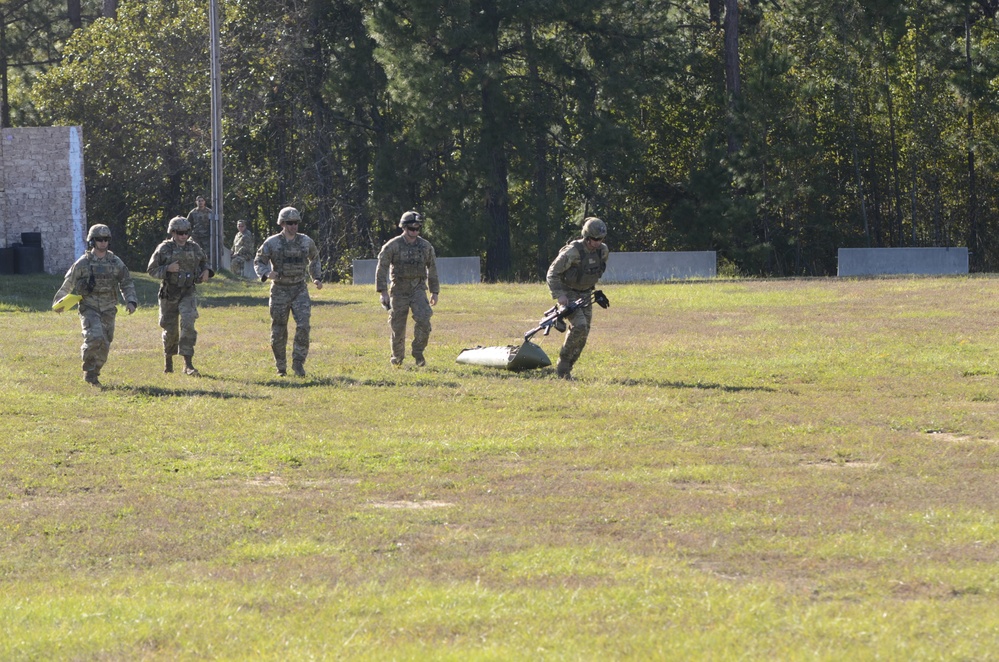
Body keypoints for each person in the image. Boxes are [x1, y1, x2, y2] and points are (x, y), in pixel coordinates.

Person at [53, 224, 138, 386]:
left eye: (106, 239)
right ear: (92, 241)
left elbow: (126, 282)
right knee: (94, 337)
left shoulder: (115, 262)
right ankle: (89, 372)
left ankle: (95, 371)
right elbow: (68, 283)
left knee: (105, 342)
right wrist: (59, 302)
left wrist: (131, 300)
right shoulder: (83, 263)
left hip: (108, 308)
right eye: (99, 239)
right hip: (89, 307)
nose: (103, 243)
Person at [254, 206, 323, 377]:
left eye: (296, 223)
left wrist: (316, 277)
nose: (293, 226)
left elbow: (314, 258)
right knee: (278, 329)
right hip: (279, 290)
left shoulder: (306, 241)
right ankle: (281, 366)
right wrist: (266, 273)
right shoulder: (272, 243)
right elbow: (259, 261)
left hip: (299, 289)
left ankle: (298, 363)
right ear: (282, 224)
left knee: (303, 326)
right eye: (290, 223)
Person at [545, 217, 610, 380]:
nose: (597, 242)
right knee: (579, 325)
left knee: (583, 333)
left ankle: (567, 369)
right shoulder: (572, 252)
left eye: (600, 239)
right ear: (587, 237)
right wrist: (559, 295)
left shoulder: (603, 251)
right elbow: (552, 274)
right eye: (595, 239)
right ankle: (562, 369)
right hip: (569, 294)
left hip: (586, 294)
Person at [147, 216, 211, 376]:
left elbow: (205, 262)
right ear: (173, 232)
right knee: (170, 330)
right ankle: (168, 360)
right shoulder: (164, 249)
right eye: (181, 233)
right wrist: (167, 268)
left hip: (188, 292)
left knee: (188, 324)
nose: (184, 236)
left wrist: (206, 272)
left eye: (187, 233)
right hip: (169, 293)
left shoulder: (194, 248)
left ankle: (188, 364)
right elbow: (151, 270)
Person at [375, 210, 439, 367]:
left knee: (424, 320)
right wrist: (383, 292)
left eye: (417, 229)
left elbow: (432, 269)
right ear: (403, 228)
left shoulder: (425, 246)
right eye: (411, 229)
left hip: (418, 288)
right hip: (399, 289)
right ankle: (397, 358)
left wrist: (434, 291)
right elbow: (381, 267)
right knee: (397, 326)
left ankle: (418, 352)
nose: (414, 232)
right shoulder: (392, 246)